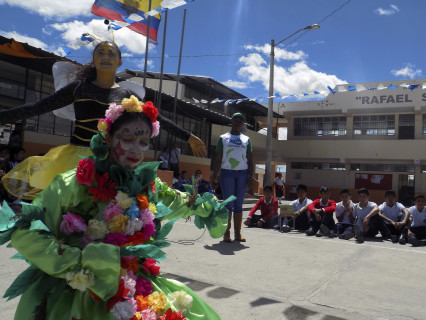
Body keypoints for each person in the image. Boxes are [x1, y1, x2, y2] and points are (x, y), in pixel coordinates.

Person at [0, 98, 230, 320]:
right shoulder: (73, 184)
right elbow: (27, 230)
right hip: (79, 288)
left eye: (143, 142)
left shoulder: (148, 185)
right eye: (127, 138)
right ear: (109, 138)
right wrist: (80, 264)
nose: (136, 149)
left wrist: (209, 209)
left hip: (133, 283)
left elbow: (178, 202)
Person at [0, 41, 207, 200]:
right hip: (76, 160)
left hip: (112, 162)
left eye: (111, 53)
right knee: (72, 212)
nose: (106, 56)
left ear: (120, 62)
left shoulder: (127, 95)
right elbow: (37, 107)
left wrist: (188, 137)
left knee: (108, 214)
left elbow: (155, 117)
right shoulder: (78, 88)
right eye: (100, 53)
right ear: (94, 59)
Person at [212, 112, 254, 242]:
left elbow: (250, 159)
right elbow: (218, 158)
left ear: (242, 124)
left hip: (242, 174)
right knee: (228, 204)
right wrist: (214, 176)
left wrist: (251, 176)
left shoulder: (246, 140)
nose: (237, 122)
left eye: (240, 121)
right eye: (235, 119)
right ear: (231, 121)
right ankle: (226, 233)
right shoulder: (223, 138)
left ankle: (237, 234)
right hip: (227, 173)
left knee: (239, 204)